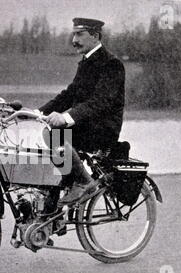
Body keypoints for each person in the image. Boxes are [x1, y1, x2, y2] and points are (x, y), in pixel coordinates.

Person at [38, 17, 125, 212]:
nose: (74, 40)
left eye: (79, 34)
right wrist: (37, 111)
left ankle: (85, 182)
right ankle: (52, 215)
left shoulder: (111, 64)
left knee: (54, 135)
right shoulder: (87, 62)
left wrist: (66, 118)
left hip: (103, 128)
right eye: (74, 34)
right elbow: (70, 94)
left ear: (95, 35)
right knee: (55, 155)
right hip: (86, 125)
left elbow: (101, 101)